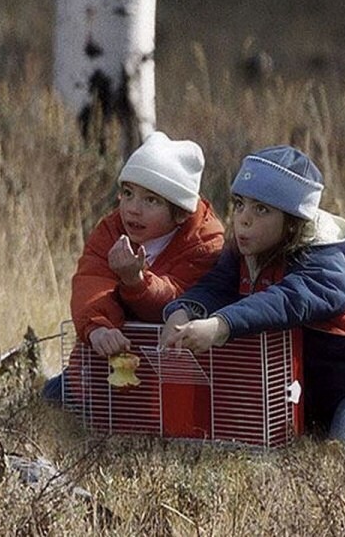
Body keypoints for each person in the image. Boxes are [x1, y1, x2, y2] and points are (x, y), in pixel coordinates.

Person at [161, 145, 345, 449]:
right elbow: (216, 287)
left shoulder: (326, 263)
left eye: (261, 209)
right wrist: (184, 311)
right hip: (308, 384)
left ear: (292, 221)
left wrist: (220, 325)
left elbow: (286, 300)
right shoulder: (244, 250)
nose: (243, 219)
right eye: (239, 204)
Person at [43, 132, 225, 405]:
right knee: (54, 397)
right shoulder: (111, 229)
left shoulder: (205, 242)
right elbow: (91, 281)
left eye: (150, 200)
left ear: (180, 213)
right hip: (107, 363)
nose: (132, 210)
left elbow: (179, 303)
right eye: (128, 194)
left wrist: (136, 281)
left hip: (172, 375)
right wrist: (97, 327)